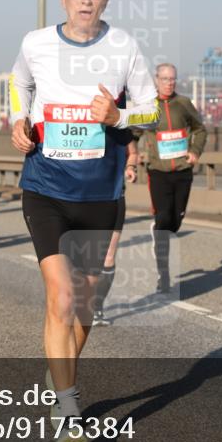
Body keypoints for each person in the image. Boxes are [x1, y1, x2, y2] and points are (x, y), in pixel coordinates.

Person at [10, 0, 159, 442]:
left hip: (101, 194)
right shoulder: (36, 43)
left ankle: (60, 384)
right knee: (61, 296)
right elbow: (19, 84)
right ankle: (70, 409)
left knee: (86, 306)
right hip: (46, 188)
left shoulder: (124, 46)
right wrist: (17, 121)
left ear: (106, 0)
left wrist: (118, 114)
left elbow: (151, 107)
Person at [139, 62, 206, 294]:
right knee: (164, 221)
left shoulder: (183, 104)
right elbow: (132, 133)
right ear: (156, 80)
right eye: (165, 79)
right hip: (157, 173)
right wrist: (134, 154)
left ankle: (161, 229)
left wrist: (195, 151)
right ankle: (164, 277)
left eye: (172, 79)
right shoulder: (148, 106)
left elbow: (200, 129)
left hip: (183, 171)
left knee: (175, 222)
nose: (169, 83)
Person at [92, 139, 138, 327]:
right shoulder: (80, 121)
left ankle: (96, 307)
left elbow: (133, 152)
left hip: (114, 197)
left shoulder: (119, 124)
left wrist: (130, 167)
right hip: (82, 197)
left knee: (108, 257)